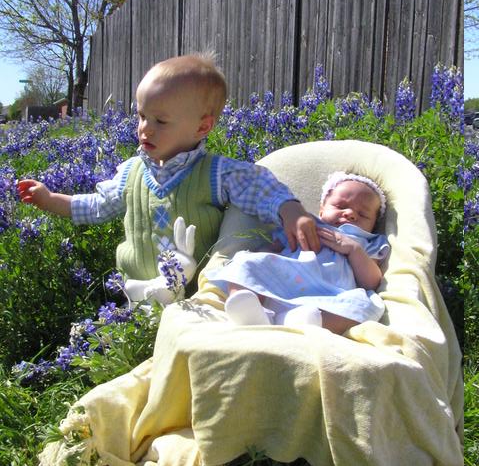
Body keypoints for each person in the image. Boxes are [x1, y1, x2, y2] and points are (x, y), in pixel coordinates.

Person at [17, 53, 320, 303]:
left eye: (160, 121)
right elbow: (99, 206)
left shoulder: (216, 173)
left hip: (197, 301)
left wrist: (290, 209)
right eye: (141, 116)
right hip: (136, 294)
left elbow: (258, 185)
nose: (145, 128)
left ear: (203, 127)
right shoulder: (130, 172)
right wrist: (51, 199)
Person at [206, 171, 390, 334]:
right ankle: (246, 307)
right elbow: (277, 245)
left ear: (373, 224)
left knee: (367, 306)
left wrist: (354, 249)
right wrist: (261, 256)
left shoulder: (367, 242)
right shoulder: (308, 224)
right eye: (341, 206)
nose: (350, 213)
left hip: (332, 297)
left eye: (363, 214)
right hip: (285, 281)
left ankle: (294, 321)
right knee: (243, 262)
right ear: (322, 208)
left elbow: (372, 281)